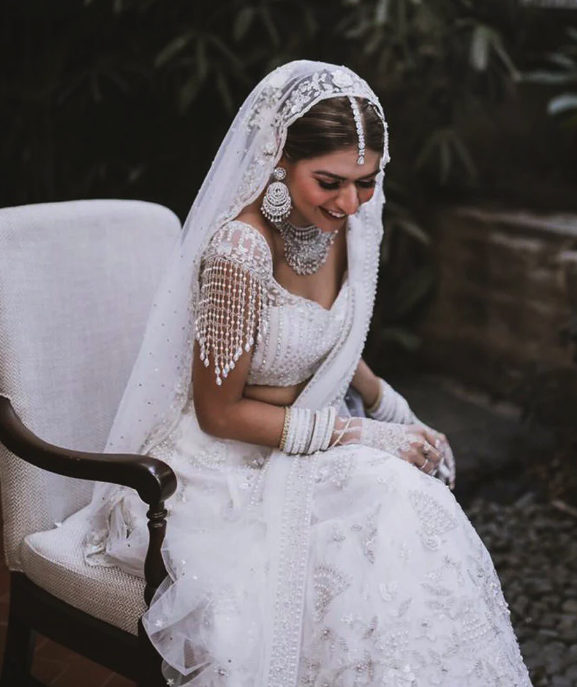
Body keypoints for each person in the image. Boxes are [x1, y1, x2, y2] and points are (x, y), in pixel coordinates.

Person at [81, 61, 532, 686]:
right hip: (221, 465)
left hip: (306, 441)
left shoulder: (346, 226)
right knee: (392, 508)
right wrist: (362, 435)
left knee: (410, 518)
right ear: (279, 159)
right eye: (330, 181)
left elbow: (329, 336)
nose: (350, 203)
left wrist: (392, 409)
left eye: (367, 182)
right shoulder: (240, 251)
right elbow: (220, 413)